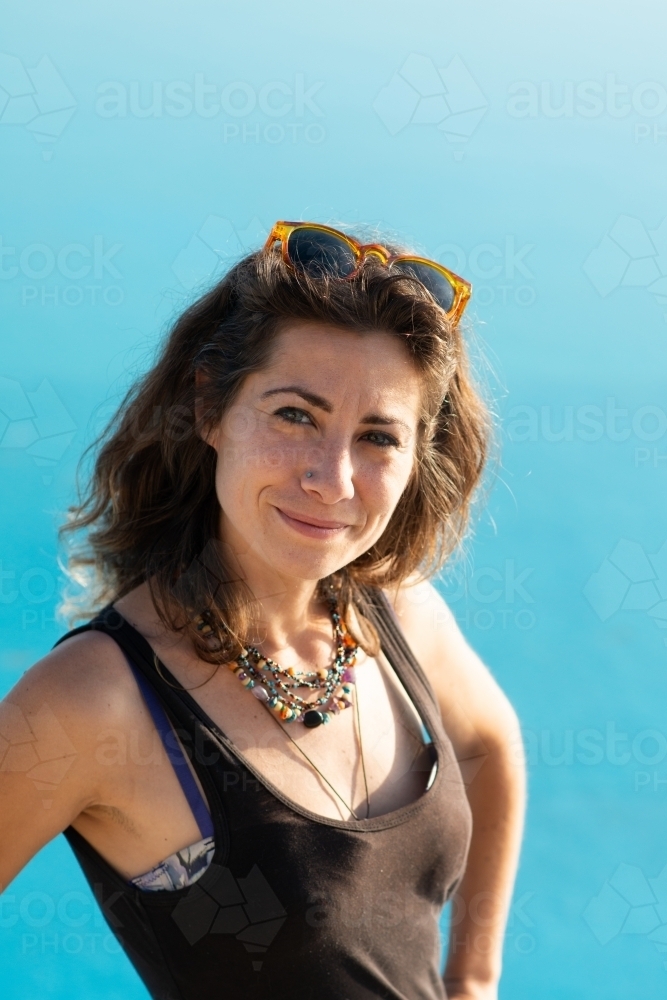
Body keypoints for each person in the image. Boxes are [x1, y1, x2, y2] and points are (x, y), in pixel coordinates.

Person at [0, 221, 526, 1000]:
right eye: (294, 415)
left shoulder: (398, 618)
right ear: (210, 408)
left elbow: (490, 747)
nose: (332, 477)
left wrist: (474, 978)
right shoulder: (95, 701)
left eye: (378, 436)